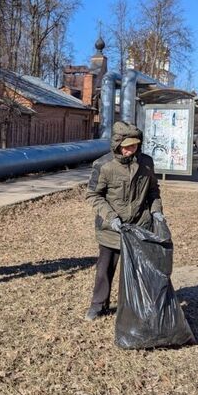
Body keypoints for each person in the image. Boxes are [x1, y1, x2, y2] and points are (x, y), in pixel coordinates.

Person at [84, 121, 164, 320]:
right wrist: (111, 217)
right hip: (111, 229)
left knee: (138, 271)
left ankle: (135, 305)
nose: (131, 150)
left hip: (140, 227)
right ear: (117, 144)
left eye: (135, 145)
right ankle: (98, 305)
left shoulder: (146, 163)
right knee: (104, 270)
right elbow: (93, 195)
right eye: (127, 146)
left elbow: (153, 190)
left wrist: (156, 211)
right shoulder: (103, 165)